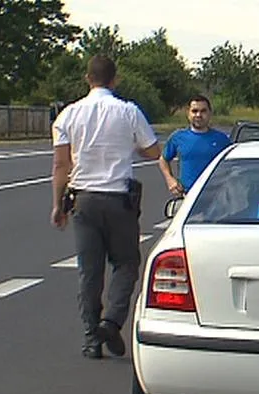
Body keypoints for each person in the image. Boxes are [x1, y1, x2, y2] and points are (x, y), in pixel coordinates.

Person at [50, 54, 161, 359]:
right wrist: (129, 145)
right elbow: (153, 151)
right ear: (115, 80)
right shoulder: (128, 112)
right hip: (118, 200)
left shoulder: (68, 115)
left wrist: (58, 205)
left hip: (83, 200)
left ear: (88, 79)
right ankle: (111, 321)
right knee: (126, 264)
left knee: (89, 271)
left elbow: (61, 164)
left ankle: (90, 337)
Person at [158, 94, 231, 196]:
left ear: (210, 113)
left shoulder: (222, 139)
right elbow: (163, 159)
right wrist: (170, 180)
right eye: (194, 111)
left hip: (217, 196)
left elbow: (233, 166)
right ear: (188, 114)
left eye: (203, 111)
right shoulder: (178, 137)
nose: (198, 115)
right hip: (188, 196)